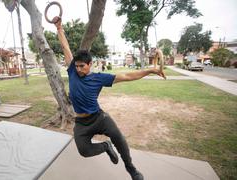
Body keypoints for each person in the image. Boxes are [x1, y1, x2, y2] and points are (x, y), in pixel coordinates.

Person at [54, 16, 166, 180]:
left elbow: (127, 76)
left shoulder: (99, 78)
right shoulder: (72, 71)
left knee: (119, 139)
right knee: (84, 150)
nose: (78, 69)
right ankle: (106, 146)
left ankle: (131, 169)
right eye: (76, 66)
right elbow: (65, 47)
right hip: (81, 122)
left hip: (99, 118)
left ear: (90, 64)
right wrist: (59, 28)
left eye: (82, 66)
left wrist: (149, 71)